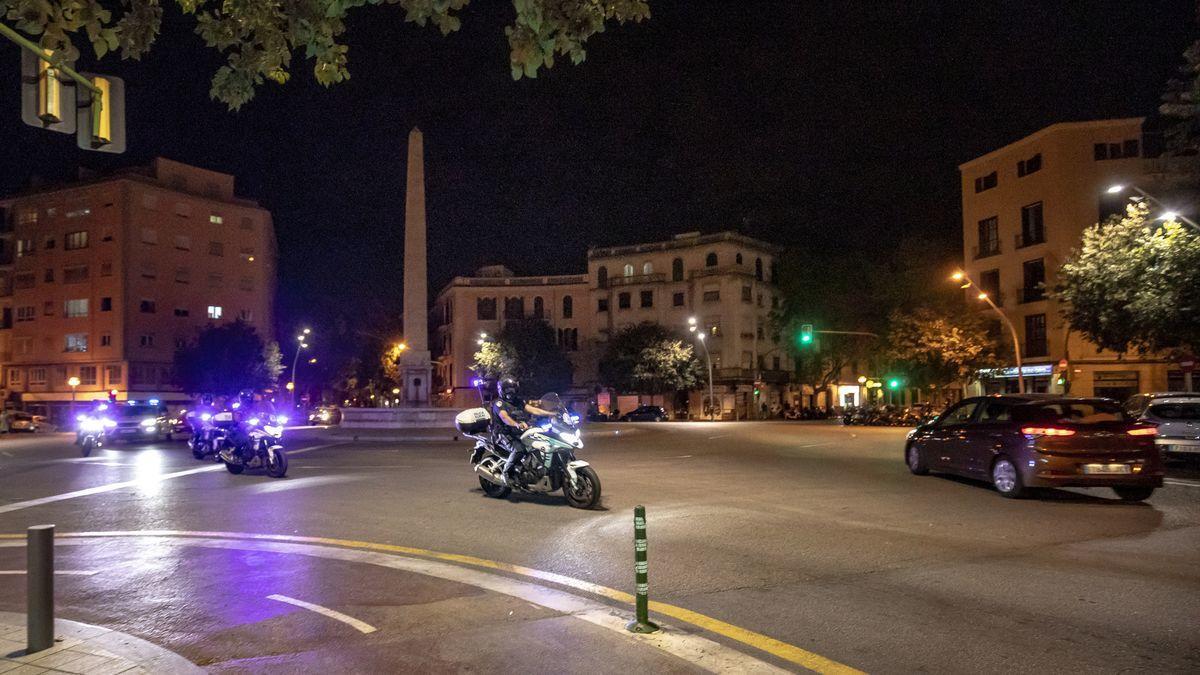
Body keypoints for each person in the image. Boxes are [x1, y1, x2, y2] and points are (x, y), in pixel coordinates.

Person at [492, 378, 558, 485]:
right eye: (508, 390)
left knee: (538, 443)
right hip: (504, 434)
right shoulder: (499, 403)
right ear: (502, 390)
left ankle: (534, 470)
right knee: (519, 449)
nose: (511, 393)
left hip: (519, 432)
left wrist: (550, 414)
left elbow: (533, 409)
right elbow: (505, 418)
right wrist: (517, 424)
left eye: (513, 390)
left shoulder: (518, 401)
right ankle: (506, 473)